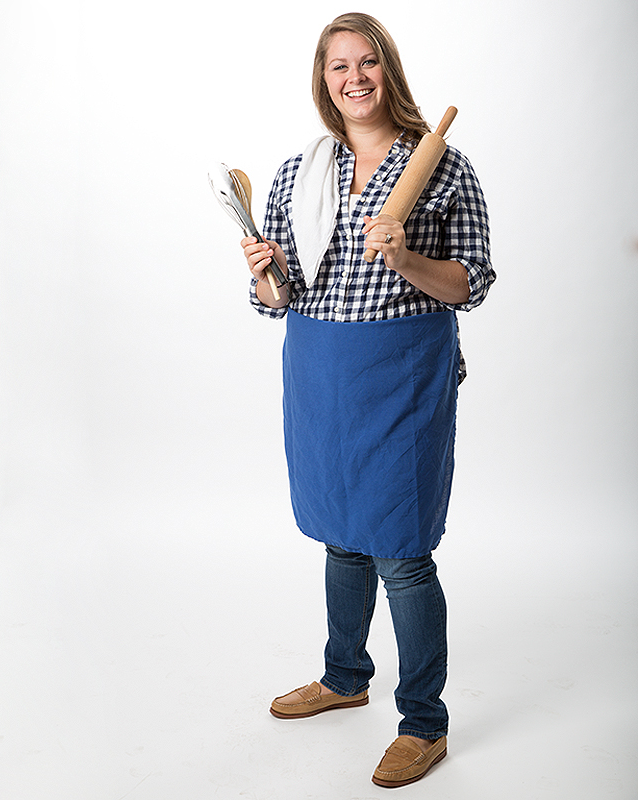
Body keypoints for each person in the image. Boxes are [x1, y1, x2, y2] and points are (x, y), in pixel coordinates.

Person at [243, 12, 493, 788]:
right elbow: (276, 299)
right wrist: (262, 269)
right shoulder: (298, 171)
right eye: (336, 66)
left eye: (367, 63)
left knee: (402, 552)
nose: (353, 78)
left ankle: (424, 723)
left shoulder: (440, 166)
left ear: (389, 70)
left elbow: (472, 282)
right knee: (340, 537)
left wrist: (406, 254)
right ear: (323, 82)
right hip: (319, 371)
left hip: (402, 376)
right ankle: (345, 676)